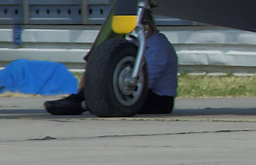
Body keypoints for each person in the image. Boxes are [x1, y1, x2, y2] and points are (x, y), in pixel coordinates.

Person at [43, 12, 178, 115]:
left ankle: (82, 105)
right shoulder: (135, 43)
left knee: (110, 99)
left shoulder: (158, 45)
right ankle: (77, 98)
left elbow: (148, 80)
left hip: (160, 99)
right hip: (142, 93)